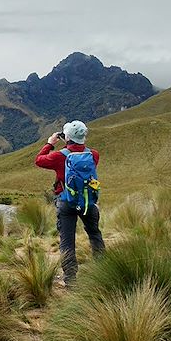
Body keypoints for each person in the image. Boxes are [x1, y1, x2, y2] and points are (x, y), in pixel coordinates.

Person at [35, 120, 105, 286]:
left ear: (66, 136)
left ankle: (71, 281)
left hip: (66, 202)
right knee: (95, 234)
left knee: (67, 241)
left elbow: (39, 160)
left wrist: (49, 144)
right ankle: (103, 270)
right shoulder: (93, 154)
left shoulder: (59, 156)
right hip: (88, 201)